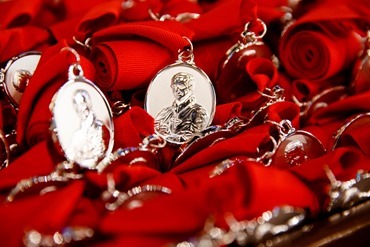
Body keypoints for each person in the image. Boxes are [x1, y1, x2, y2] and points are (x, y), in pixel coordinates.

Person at [155, 72, 207, 143]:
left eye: (181, 85)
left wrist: (168, 136)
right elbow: (154, 127)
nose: (176, 89)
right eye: (174, 86)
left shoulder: (199, 112)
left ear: (190, 87)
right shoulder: (165, 112)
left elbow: (194, 136)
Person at [67, 89, 106, 167]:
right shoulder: (77, 136)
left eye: (83, 103)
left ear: (88, 103)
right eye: (78, 105)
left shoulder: (101, 128)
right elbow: (70, 155)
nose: (81, 108)